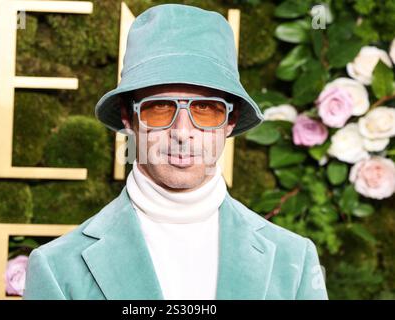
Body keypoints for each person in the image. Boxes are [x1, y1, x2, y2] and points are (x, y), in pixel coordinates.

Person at [23, 3, 328, 300]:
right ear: (128, 118)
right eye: (159, 108)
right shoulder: (59, 268)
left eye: (206, 109)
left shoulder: (294, 262)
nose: (182, 132)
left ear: (230, 121)